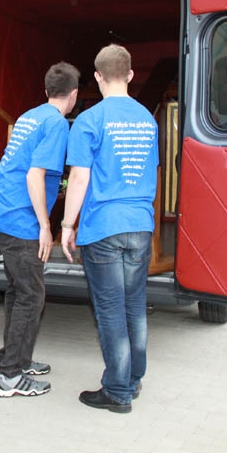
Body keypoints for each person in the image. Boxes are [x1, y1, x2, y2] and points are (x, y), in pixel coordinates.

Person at [60, 44, 159, 414]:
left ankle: (117, 391)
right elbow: (153, 170)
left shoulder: (90, 120)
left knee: (110, 310)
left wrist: (67, 225)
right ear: (130, 75)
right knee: (135, 305)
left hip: (103, 227)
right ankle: (133, 379)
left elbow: (79, 177)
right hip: (140, 225)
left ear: (97, 76)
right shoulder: (148, 120)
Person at [0, 62, 79, 397]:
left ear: (46, 90)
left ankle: (15, 359)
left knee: (17, 291)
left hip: (2, 209)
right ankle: (9, 377)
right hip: (21, 219)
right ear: (74, 95)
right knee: (31, 295)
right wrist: (45, 226)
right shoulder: (57, 124)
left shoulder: (29, 116)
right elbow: (34, 175)